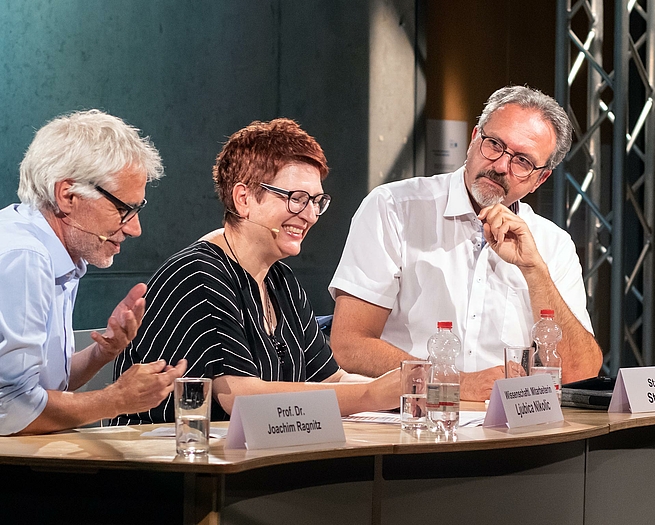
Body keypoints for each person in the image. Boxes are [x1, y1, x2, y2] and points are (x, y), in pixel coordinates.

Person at [112, 118, 399, 425]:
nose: (311, 215)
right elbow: (239, 397)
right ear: (243, 198)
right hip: (166, 463)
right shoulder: (200, 275)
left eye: (317, 201)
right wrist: (372, 394)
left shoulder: (282, 281)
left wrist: (408, 392)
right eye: (297, 199)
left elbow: (330, 379)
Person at [329, 85, 603, 401]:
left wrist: (534, 270)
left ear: (540, 179)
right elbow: (349, 344)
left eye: (523, 161)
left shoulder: (553, 244)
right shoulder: (394, 208)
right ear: (474, 139)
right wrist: (455, 383)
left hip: (511, 432)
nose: (501, 165)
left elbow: (581, 373)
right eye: (494, 145)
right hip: (410, 420)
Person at [0, 110, 187, 436]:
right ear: (67, 195)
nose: (135, 228)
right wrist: (117, 400)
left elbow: (41, 386)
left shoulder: (52, 252)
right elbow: (11, 409)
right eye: (123, 209)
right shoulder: (24, 256)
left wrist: (104, 352)